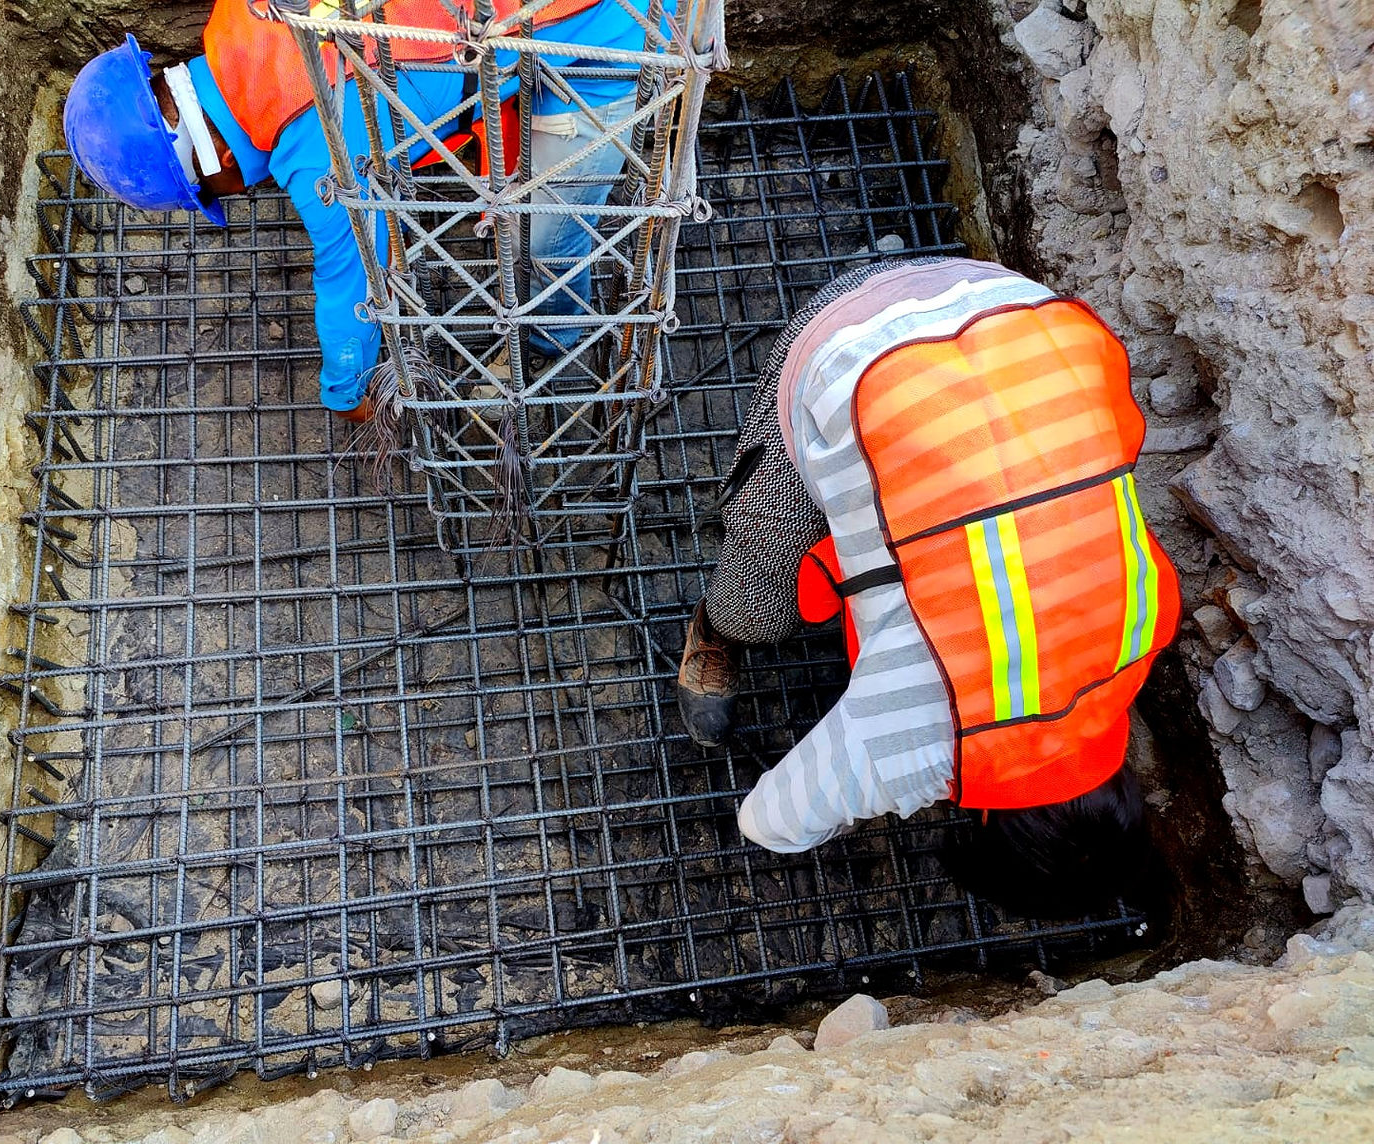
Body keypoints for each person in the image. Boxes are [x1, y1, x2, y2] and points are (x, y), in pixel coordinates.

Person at [676, 255, 1182, 918]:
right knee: (762, 577)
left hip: (1019, 315)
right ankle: (719, 631)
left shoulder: (1146, 630)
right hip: (854, 349)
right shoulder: (917, 749)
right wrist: (890, 785)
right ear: (980, 829)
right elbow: (770, 822)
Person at [61, 0, 667, 420]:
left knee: (545, 235)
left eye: (213, 191)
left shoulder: (316, 144)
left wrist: (345, 389)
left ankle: (554, 341)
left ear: (213, 152)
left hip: (600, 35)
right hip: (505, 23)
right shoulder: (242, 16)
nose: (233, 195)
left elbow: (350, 279)